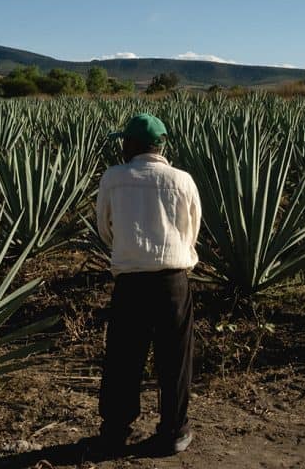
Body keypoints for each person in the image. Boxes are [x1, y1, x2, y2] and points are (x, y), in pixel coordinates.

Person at [91, 113, 202, 457]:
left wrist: (128, 248)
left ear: (133, 145)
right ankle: (173, 432)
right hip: (173, 282)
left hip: (131, 280)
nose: (123, 147)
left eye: (125, 141)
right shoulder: (182, 180)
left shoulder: (114, 177)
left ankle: (115, 431)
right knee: (175, 360)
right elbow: (192, 229)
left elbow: (104, 227)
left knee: (124, 358)